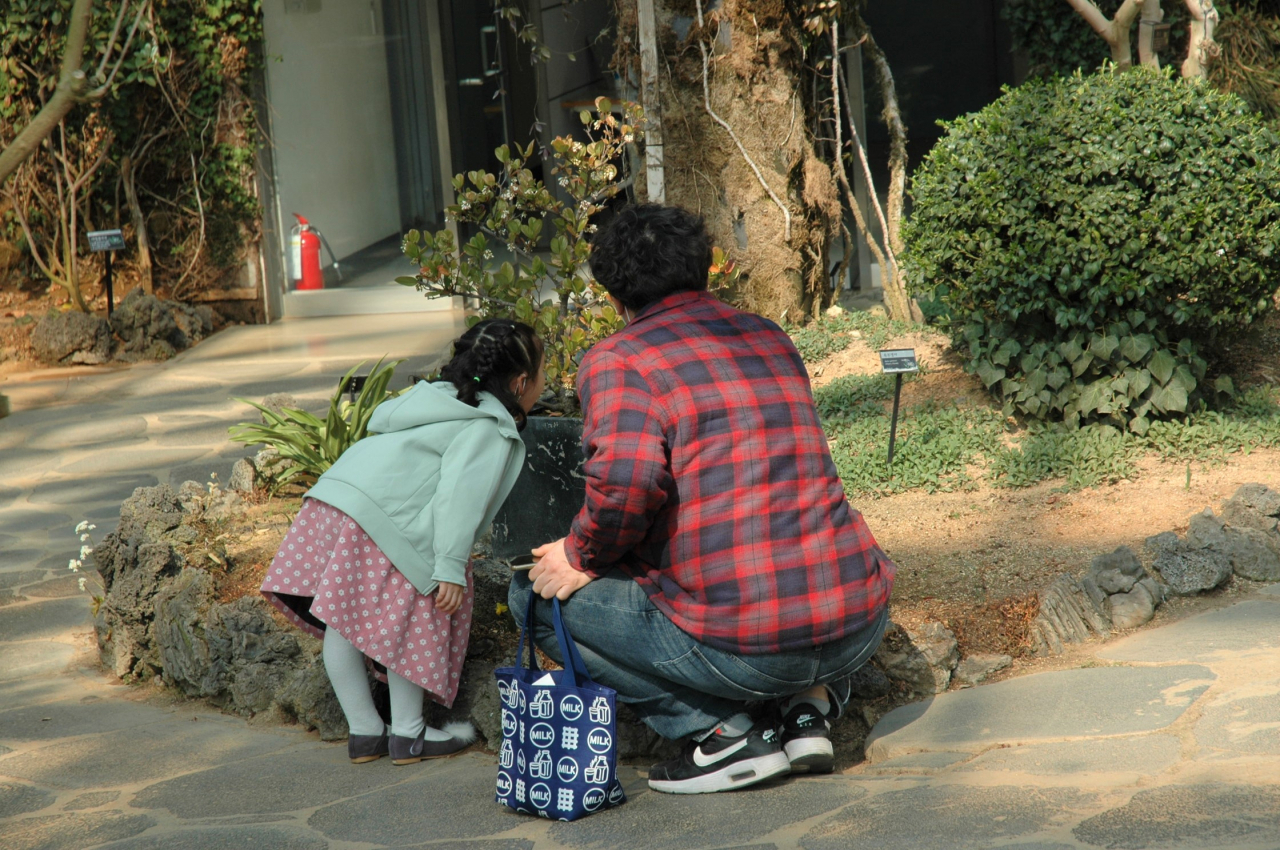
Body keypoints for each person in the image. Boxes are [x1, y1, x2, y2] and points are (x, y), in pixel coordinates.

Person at [509, 204, 896, 795]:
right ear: (706, 271)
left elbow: (626, 487)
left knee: (529, 596)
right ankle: (807, 713)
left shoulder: (619, 359)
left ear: (613, 296)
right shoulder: (768, 334)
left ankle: (723, 736)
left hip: (748, 647)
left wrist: (579, 555)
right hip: (855, 627)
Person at [261, 319, 545, 765]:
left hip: (337, 500)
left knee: (343, 620)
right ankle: (409, 734)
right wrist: (449, 566)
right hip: (388, 522)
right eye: (544, 372)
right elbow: (458, 498)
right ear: (521, 382)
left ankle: (365, 731)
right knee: (405, 622)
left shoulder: (431, 398)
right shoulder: (488, 426)